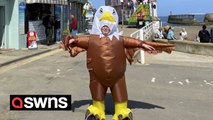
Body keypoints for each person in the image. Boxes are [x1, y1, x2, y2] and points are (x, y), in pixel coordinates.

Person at [60, 6, 175, 120]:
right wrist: (73, 40)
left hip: (118, 76)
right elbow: (79, 40)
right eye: (103, 25)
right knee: (97, 91)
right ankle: (97, 110)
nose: (105, 28)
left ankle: (121, 111)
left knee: (120, 91)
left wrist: (142, 44)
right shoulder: (91, 39)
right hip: (96, 75)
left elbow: (133, 41)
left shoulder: (120, 39)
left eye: (108, 24)